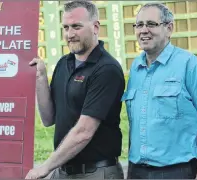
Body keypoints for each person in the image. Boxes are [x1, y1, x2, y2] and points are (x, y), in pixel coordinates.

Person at [25, 1, 125, 179]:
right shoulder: (64, 64)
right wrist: (40, 78)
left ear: (95, 27)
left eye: (76, 27)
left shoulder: (106, 69)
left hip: (96, 172)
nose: (70, 34)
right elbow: (48, 119)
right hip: (63, 170)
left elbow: (84, 132)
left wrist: (45, 167)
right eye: (66, 27)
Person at [122, 2, 197, 179]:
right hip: (137, 171)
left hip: (178, 172)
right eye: (139, 25)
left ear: (169, 29)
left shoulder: (191, 66)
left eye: (151, 24)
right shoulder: (135, 69)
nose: (143, 30)